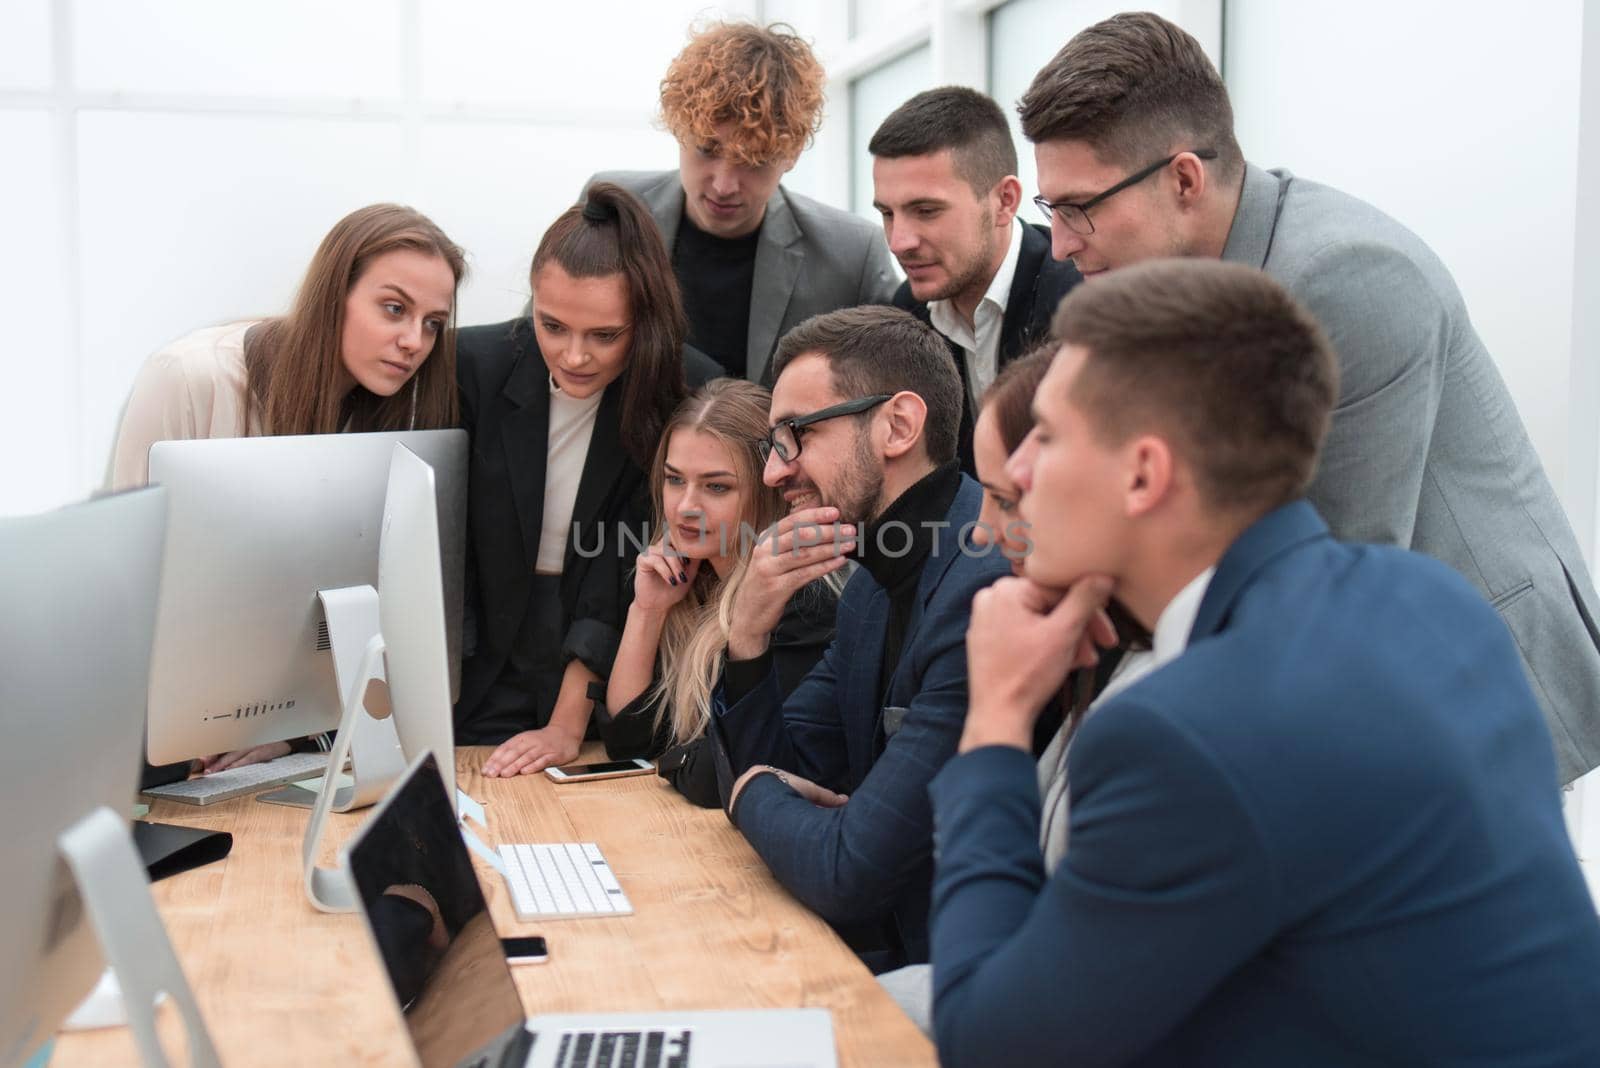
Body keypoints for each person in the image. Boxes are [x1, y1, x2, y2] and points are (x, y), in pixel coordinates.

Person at [929, 259, 1600, 1067]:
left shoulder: (1184, 735)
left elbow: (992, 1045)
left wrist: (995, 720)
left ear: (1143, 473)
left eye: (1049, 435)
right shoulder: (1436, 599)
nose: (1020, 471)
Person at [1020, 10, 1600, 783]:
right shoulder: (1175, 291)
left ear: (1184, 179)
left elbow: (1332, 563)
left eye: (1078, 208)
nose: (1058, 243)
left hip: (1480, 702)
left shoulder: (1345, 277)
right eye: (1048, 210)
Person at [110, 202, 466, 771]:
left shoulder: (399, 413)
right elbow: (122, 576)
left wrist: (290, 734)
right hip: (159, 731)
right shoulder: (190, 377)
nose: (413, 341)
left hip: (288, 737)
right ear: (335, 295)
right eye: (394, 308)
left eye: (432, 323)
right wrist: (198, 723)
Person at [714, 305, 1010, 973]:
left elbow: (847, 869)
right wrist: (749, 632)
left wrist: (753, 792)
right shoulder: (873, 582)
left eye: (795, 435)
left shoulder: (982, 588)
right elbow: (793, 771)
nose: (773, 472)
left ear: (898, 426)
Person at [453, 182, 722, 776]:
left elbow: (635, 558)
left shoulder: (687, 388)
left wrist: (569, 718)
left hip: (611, 645)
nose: (575, 356)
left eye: (605, 336)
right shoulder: (471, 365)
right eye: (552, 327)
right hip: (479, 647)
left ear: (645, 322)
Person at [588, 21, 896, 384]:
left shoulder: (851, 254)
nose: (724, 184)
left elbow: (896, 380)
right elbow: (542, 340)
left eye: (753, 161)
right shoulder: (613, 208)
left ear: (792, 154)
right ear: (679, 130)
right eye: (707, 150)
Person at [596, 379, 840, 807]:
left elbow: (724, 773)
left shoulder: (803, 600)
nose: (686, 506)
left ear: (768, 490)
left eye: (716, 487)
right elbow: (627, 741)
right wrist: (647, 611)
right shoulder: (689, 582)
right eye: (675, 480)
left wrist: (673, 761)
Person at [870, 87, 1081, 472]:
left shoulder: (1079, 302)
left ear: (1005, 200)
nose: (899, 242)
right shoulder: (901, 318)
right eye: (887, 213)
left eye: (926, 210)